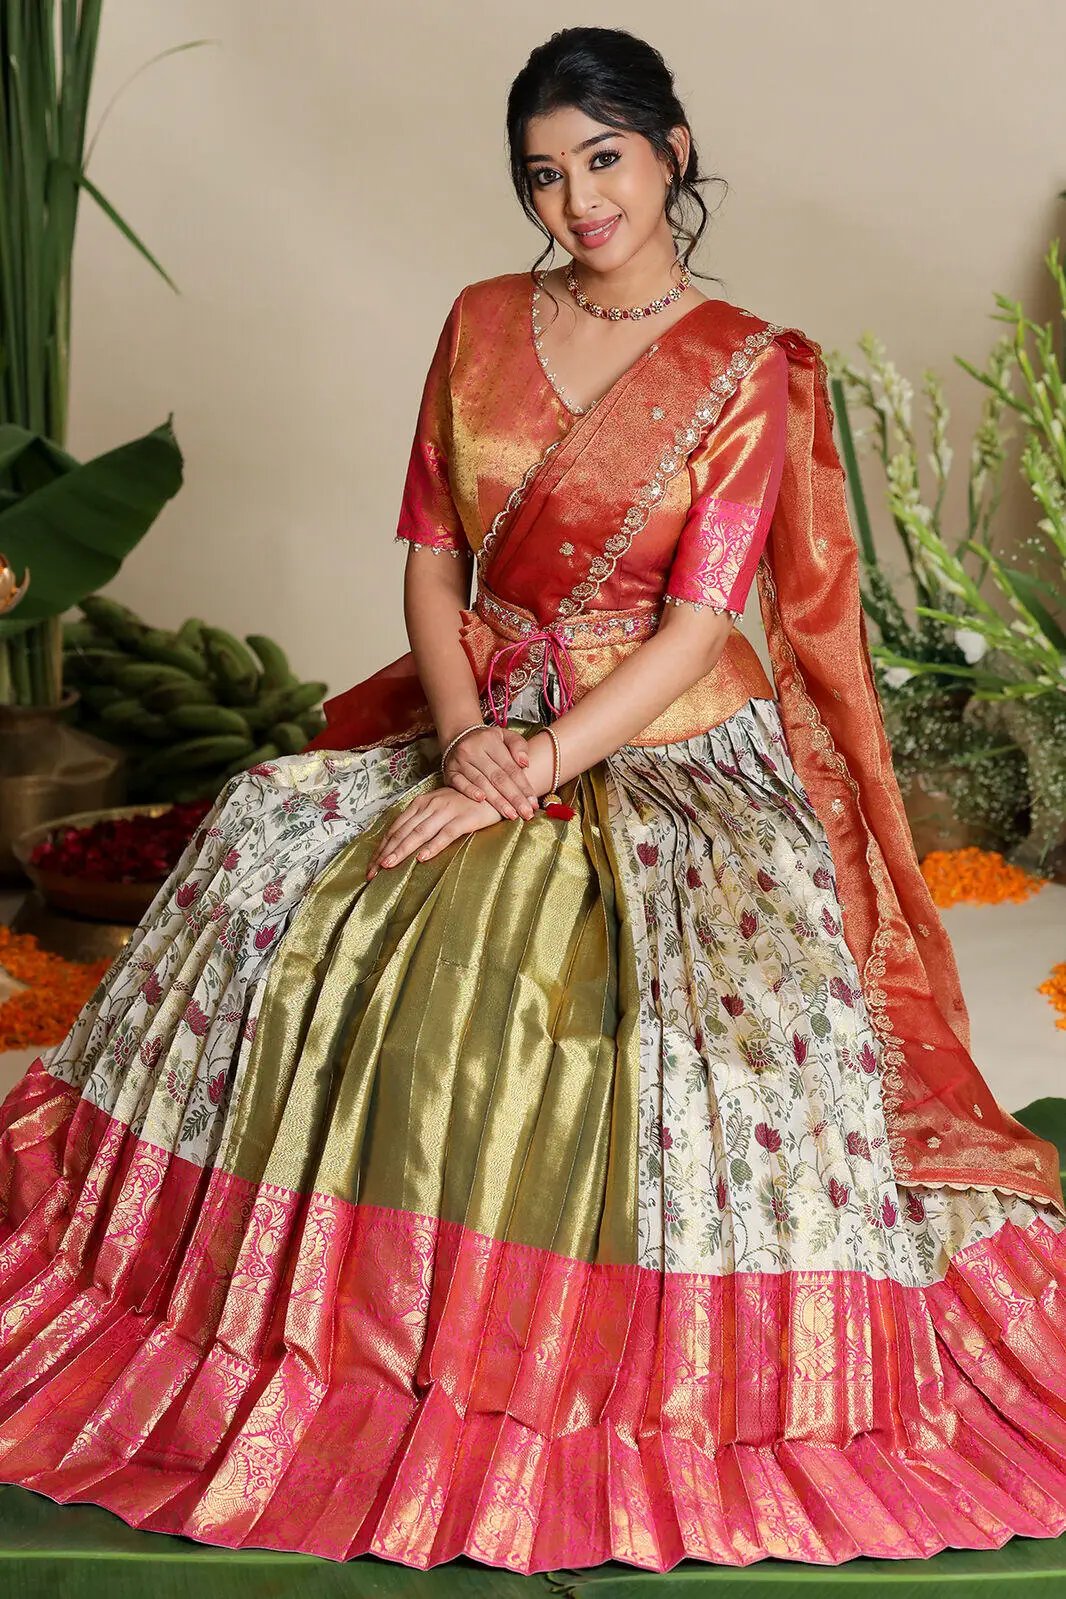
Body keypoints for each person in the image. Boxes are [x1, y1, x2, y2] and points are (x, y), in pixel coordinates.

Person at [1, 23, 1065, 1578]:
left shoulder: (746, 370)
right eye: (545, 175)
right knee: (267, 847)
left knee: (558, 967)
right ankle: (259, 1305)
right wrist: (461, 741)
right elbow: (432, 554)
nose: (578, 202)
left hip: (667, 739)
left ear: (673, 151)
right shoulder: (480, 319)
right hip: (474, 707)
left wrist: (539, 772)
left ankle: (573, 1361)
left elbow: (702, 630)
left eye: (606, 161)